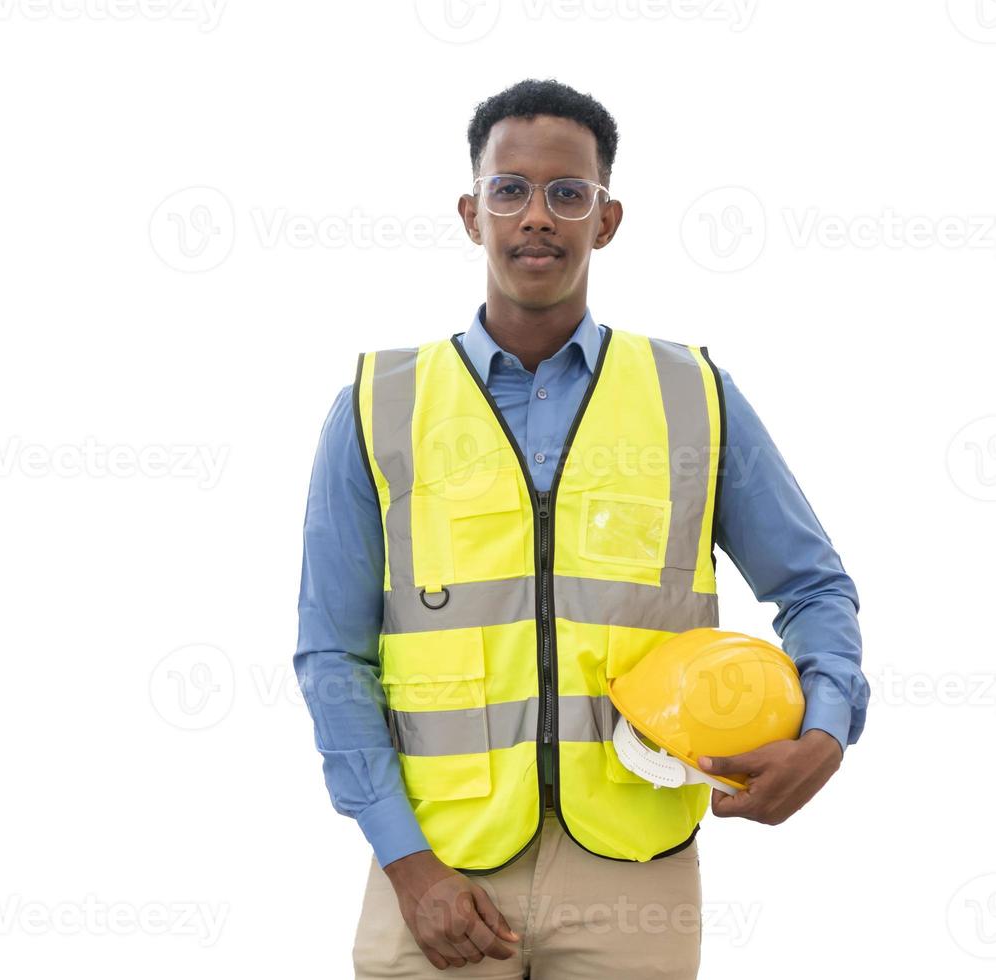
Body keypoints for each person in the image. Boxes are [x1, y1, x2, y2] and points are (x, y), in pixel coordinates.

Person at [293, 78, 869, 979]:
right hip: (439, 868)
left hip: (636, 870)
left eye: (569, 194)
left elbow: (812, 587)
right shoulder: (377, 406)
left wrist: (826, 734)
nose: (537, 216)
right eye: (509, 189)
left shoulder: (694, 397)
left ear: (606, 220)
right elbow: (333, 654)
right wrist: (406, 862)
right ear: (470, 211)